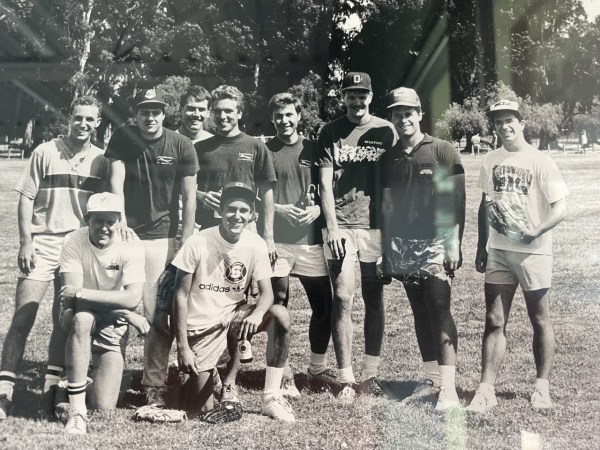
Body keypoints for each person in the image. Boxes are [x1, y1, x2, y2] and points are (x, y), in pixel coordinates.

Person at [0, 96, 109, 420]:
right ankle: (4, 392)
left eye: (90, 120)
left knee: (63, 320)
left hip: (75, 246)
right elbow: (25, 200)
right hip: (42, 243)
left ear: (97, 123)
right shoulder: (45, 151)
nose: (83, 125)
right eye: (78, 118)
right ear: (69, 118)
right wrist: (25, 242)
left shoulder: (101, 160)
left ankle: (51, 389)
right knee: (23, 317)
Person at [467, 99, 568, 413]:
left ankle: (541, 387)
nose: (504, 127)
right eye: (498, 122)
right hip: (498, 251)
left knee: (539, 319)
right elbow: (485, 205)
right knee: (494, 320)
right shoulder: (491, 158)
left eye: (509, 120)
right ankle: (485, 390)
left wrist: (536, 231)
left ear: (522, 123)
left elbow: (560, 207)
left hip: (533, 252)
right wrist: (482, 246)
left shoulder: (540, 160)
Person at [105, 87, 199, 408]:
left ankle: (154, 383)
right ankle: (111, 377)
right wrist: (119, 222)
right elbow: (115, 181)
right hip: (126, 235)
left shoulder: (181, 144)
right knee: (120, 309)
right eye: (144, 111)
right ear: (138, 114)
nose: (150, 117)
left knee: (157, 313)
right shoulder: (122, 137)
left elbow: (190, 197)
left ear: (164, 113)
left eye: (155, 111)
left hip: (162, 237)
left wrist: (185, 240)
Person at [173, 182, 295, 422]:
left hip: (233, 317)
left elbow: (268, 293)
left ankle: (269, 396)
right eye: (231, 209)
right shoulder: (198, 241)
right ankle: (211, 374)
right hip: (201, 326)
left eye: (243, 210)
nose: (236, 216)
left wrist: (258, 312)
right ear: (220, 210)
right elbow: (179, 295)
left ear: (252, 215)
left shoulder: (255, 243)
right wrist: (183, 347)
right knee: (201, 408)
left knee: (279, 315)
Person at [380, 87, 465, 411]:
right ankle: (431, 378)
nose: (404, 119)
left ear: (419, 114)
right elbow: (387, 205)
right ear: (392, 118)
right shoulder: (389, 158)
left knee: (440, 308)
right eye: (397, 114)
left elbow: (454, 201)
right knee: (419, 311)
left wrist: (452, 240)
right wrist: (388, 250)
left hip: (434, 242)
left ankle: (449, 391)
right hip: (403, 245)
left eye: (408, 112)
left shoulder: (442, 150)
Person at [317, 72, 397, 402]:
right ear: (343, 96)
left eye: (362, 93)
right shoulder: (330, 131)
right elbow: (323, 184)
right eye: (351, 94)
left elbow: (393, 185)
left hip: (374, 225)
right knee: (343, 297)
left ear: (371, 95)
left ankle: (371, 374)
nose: (357, 100)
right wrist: (332, 228)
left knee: (374, 298)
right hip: (341, 225)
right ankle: (346, 377)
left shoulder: (385, 131)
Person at [194, 85, 277, 401]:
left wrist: (268, 236)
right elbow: (188, 191)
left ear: (240, 113)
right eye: (219, 112)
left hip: (247, 235)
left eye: (230, 111)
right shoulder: (202, 149)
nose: (224, 116)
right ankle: (209, 366)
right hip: (210, 235)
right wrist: (203, 197)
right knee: (211, 300)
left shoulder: (255, 146)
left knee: (246, 300)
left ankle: (239, 374)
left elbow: (267, 192)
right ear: (212, 114)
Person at [58, 192, 147, 434]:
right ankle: (77, 412)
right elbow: (71, 300)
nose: (104, 227)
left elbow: (132, 298)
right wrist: (127, 313)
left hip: (113, 320)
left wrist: (82, 294)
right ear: (88, 219)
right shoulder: (73, 240)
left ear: (119, 221)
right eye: (98, 220)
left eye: (110, 221)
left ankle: (68, 385)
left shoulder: (131, 243)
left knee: (104, 407)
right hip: (79, 315)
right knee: (82, 318)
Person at [266, 93, 334, 396]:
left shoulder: (314, 147)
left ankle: (316, 369)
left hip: (309, 241)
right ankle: (284, 373)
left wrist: (318, 209)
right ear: (272, 119)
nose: (285, 121)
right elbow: (254, 194)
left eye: (289, 115)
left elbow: (327, 190)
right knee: (279, 306)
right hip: (277, 241)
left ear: (299, 116)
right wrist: (279, 209)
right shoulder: (264, 149)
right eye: (279, 116)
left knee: (324, 307)